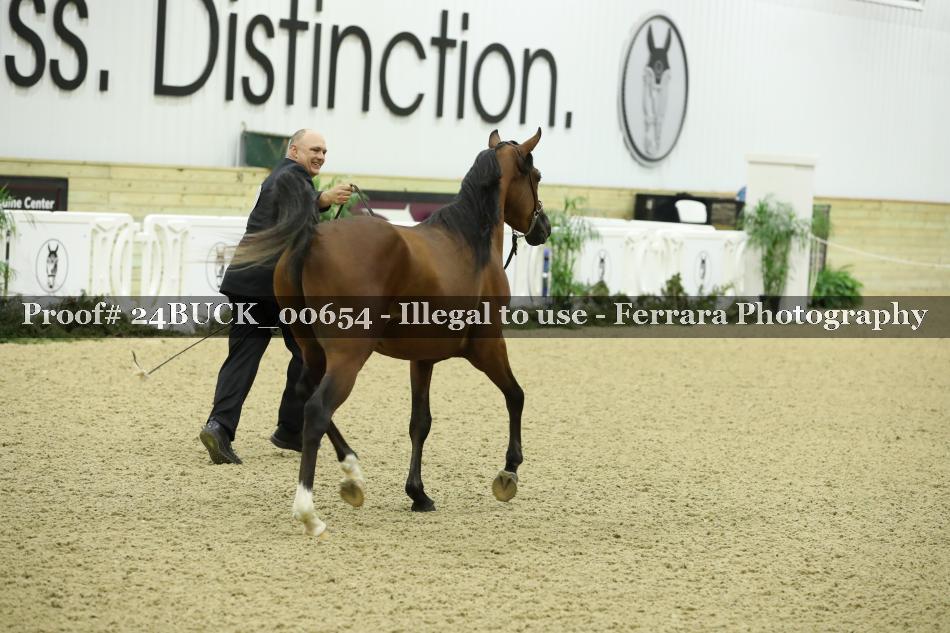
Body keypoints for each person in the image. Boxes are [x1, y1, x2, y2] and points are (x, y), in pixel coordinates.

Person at [199, 129, 352, 464]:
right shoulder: (295, 177)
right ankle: (290, 428)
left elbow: (293, 207)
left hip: (246, 281)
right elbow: (303, 228)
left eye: (324, 152)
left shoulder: (282, 178)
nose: (321, 156)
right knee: (309, 353)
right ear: (294, 150)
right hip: (277, 287)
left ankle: (219, 426)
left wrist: (323, 199)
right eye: (314, 150)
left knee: (242, 358)